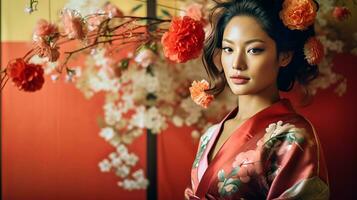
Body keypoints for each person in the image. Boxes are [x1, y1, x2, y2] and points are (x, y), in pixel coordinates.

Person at [185, 0, 329, 199]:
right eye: (228, 49)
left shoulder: (293, 137)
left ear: (284, 56)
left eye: (254, 50)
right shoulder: (210, 135)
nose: (237, 63)